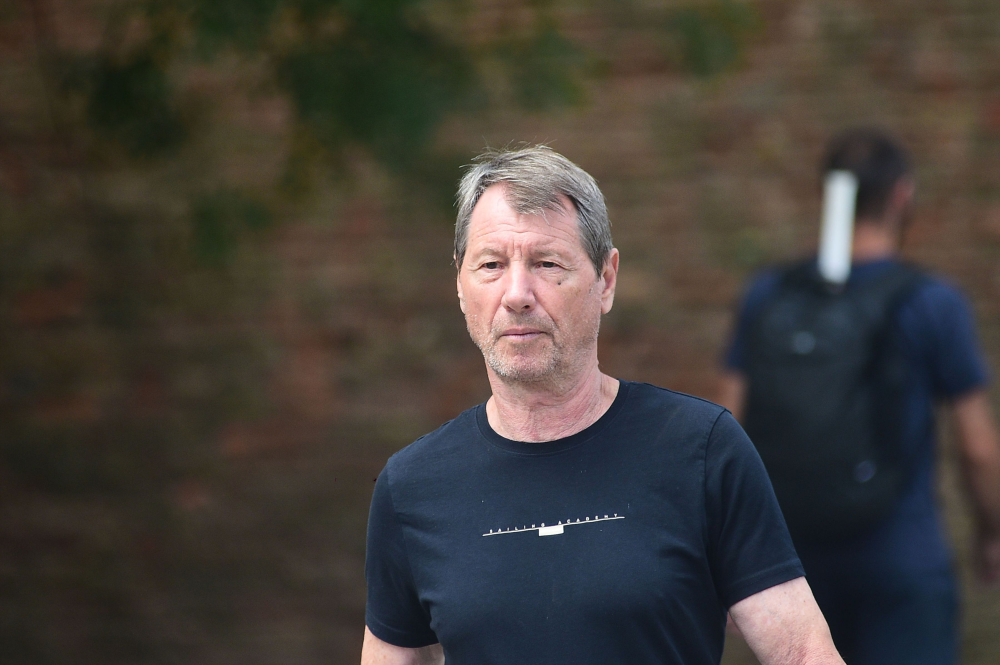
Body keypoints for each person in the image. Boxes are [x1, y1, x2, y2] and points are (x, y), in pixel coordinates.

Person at [362, 145, 845, 665]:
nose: (517, 293)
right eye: (492, 265)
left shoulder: (700, 449)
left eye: (547, 264)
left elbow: (802, 653)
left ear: (606, 280)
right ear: (460, 284)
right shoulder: (411, 487)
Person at [720, 128, 1000, 665]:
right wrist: (991, 532)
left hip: (792, 570)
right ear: (902, 195)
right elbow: (979, 448)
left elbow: (726, 428)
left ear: (827, 194)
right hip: (902, 561)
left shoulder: (769, 294)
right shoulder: (932, 301)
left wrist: (730, 558)